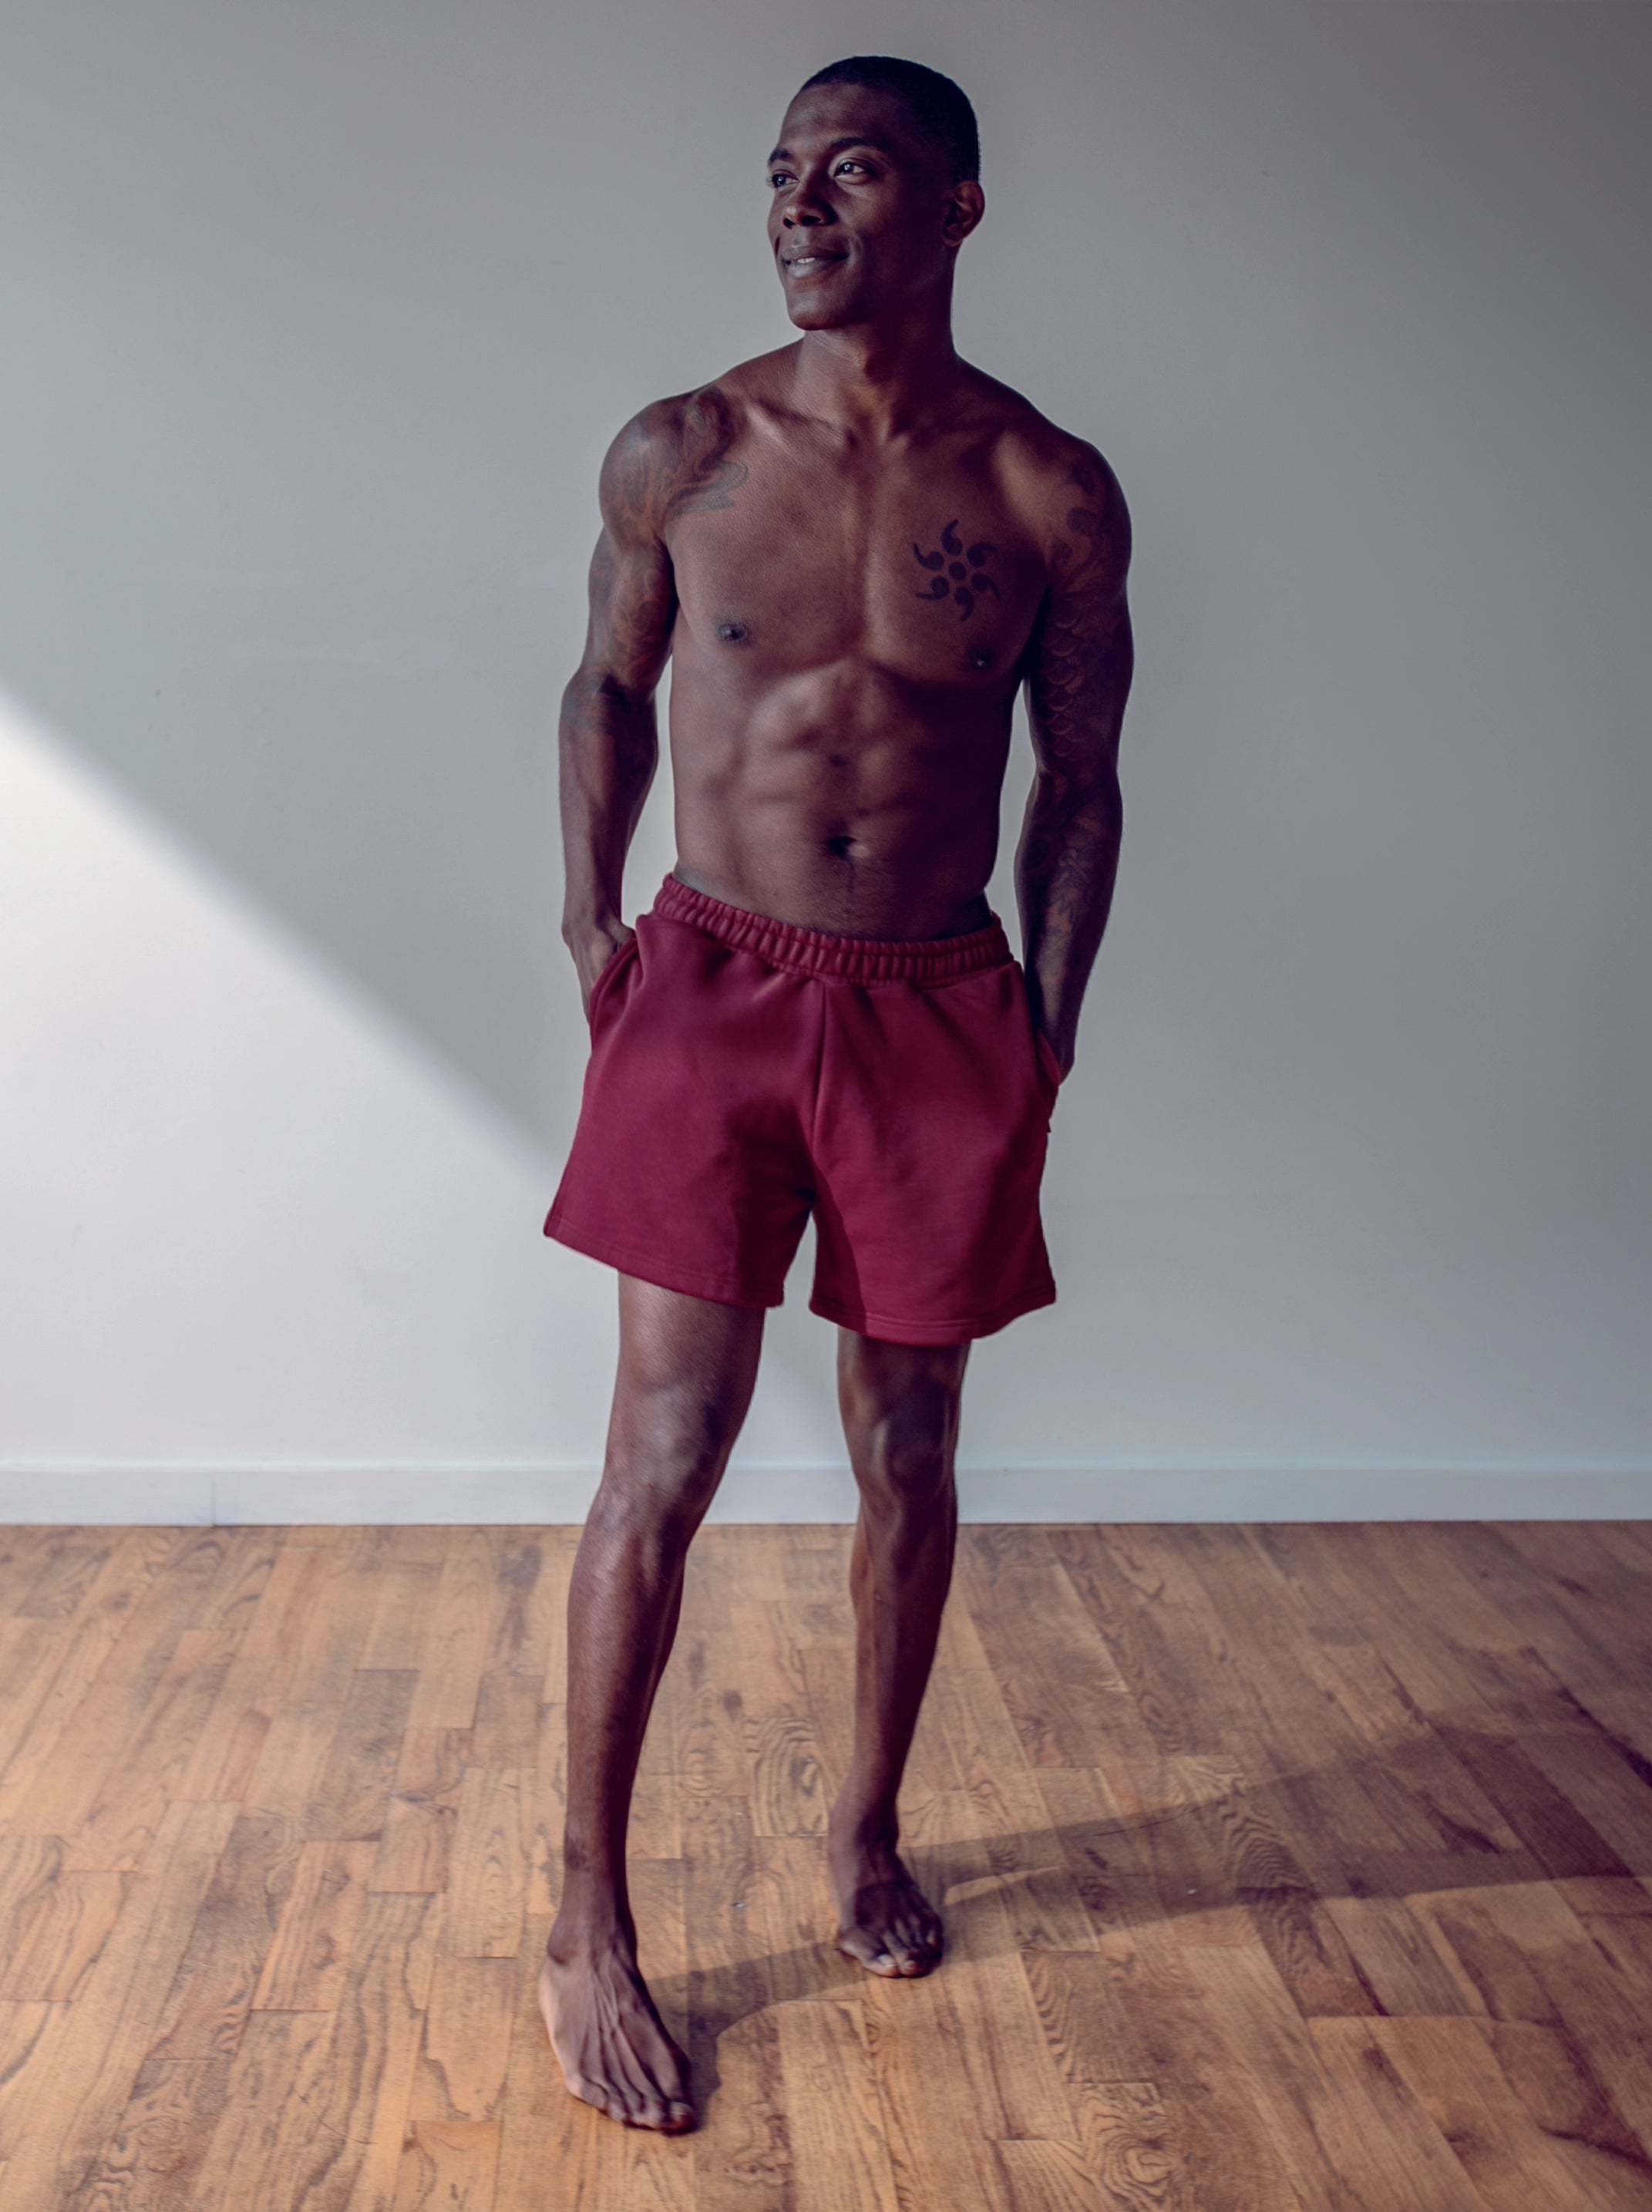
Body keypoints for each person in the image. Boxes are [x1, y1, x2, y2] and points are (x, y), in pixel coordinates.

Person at [537, 52, 1133, 2133]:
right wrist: (587, 922)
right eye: (780, 174)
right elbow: (605, 684)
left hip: (936, 1001)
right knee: (666, 1455)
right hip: (713, 980)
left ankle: (866, 1831)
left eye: (848, 171)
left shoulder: (1048, 489)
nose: (796, 205)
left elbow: (1083, 774)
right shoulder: (683, 450)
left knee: (912, 1445)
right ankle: (583, 1915)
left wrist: (1049, 1020)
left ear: (959, 206)